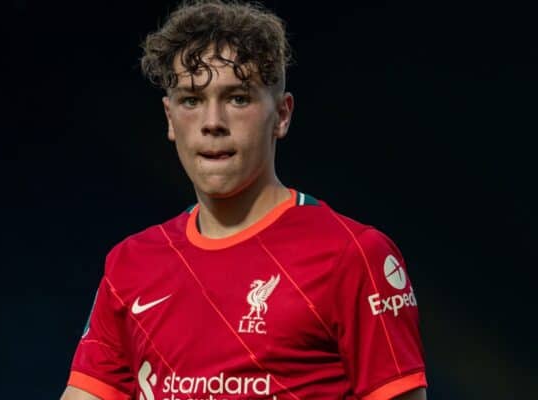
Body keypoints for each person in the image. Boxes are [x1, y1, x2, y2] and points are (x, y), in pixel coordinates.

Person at [61, 1, 428, 399]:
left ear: (282, 115)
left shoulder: (355, 256)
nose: (212, 122)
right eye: (191, 100)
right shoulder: (130, 265)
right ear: (169, 118)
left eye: (237, 98)